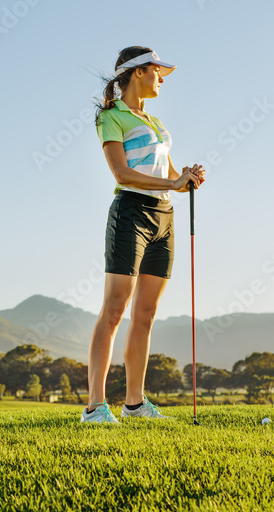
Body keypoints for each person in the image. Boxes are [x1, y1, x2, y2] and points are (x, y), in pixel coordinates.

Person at [81, 46, 205, 423]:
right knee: (115, 308)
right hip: (131, 213)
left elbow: (168, 177)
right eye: (157, 71)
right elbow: (122, 173)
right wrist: (171, 179)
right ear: (137, 72)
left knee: (146, 313)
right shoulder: (111, 117)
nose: (162, 79)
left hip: (163, 216)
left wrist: (186, 181)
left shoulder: (156, 122)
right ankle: (94, 407)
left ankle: (134, 403)